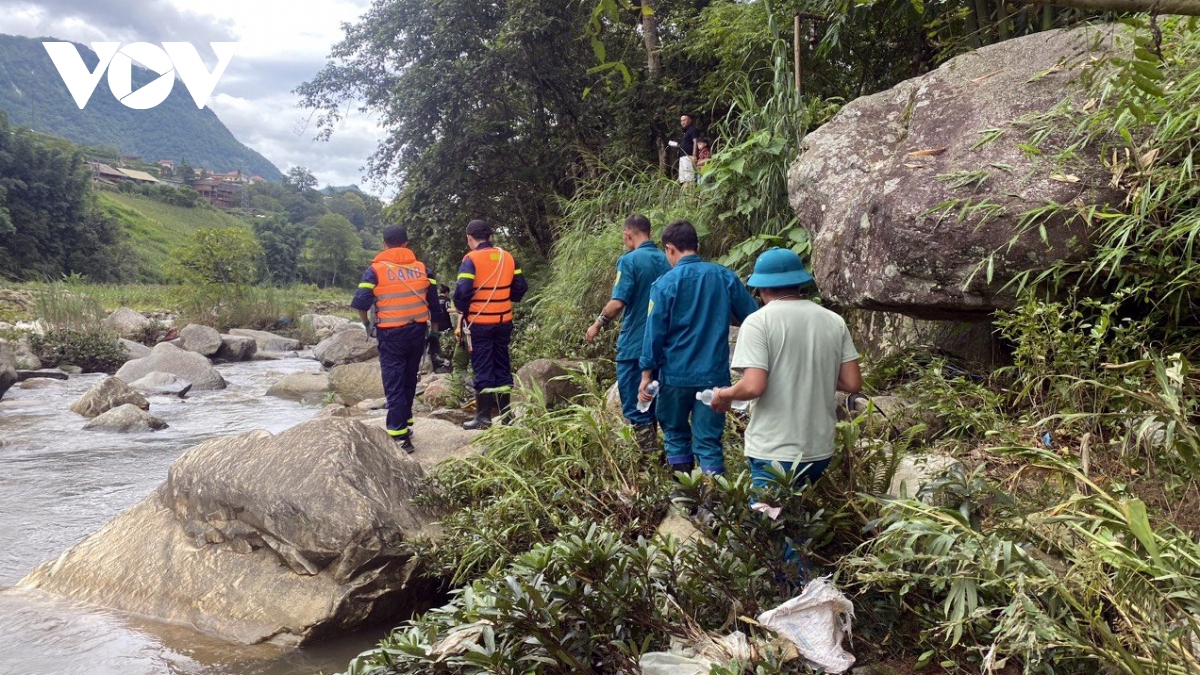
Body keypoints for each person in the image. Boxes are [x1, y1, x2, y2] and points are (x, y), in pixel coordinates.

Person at [710, 248, 862, 490]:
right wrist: (809, 372)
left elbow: (753, 386)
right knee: (798, 520)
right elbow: (853, 383)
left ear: (762, 288)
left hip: (775, 451)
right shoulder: (833, 320)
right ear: (799, 283)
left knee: (767, 524)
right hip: (819, 451)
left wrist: (723, 395)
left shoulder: (759, 322)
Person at [638, 220, 759, 476]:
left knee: (675, 434)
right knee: (708, 441)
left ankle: (685, 501)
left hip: (674, 377)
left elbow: (653, 333)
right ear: (697, 245)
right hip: (713, 378)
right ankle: (712, 507)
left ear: (670, 248)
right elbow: (754, 319)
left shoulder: (663, 285)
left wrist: (646, 375)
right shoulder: (724, 277)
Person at [585, 214, 672, 454]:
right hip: (665, 343)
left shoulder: (629, 261)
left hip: (636, 344)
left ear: (627, 234)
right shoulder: (667, 260)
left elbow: (618, 302)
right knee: (656, 399)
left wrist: (597, 323)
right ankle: (666, 457)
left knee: (636, 403)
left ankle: (649, 457)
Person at [351, 225, 440, 453]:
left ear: (384, 244)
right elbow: (435, 307)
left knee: (394, 382)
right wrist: (434, 334)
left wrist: (366, 323)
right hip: (417, 331)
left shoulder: (376, 270)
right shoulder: (423, 270)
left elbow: (361, 302)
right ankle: (407, 424)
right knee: (409, 379)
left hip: (391, 334)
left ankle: (399, 435)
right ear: (406, 244)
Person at [455, 219, 528, 430]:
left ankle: (484, 417)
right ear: (491, 237)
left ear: (470, 238)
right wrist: (505, 297)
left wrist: (463, 309)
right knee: (502, 365)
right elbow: (521, 287)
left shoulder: (471, 259)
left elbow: (462, 291)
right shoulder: (508, 257)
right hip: (504, 321)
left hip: (480, 323)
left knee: (483, 367)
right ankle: (507, 416)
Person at [426, 283, 453, 373]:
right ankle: (445, 358)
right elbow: (448, 309)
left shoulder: (436, 299)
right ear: (447, 292)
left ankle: (437, 356)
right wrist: (457, 310)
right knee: (447, 341)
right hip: (446, 324)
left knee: (438, 340)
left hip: (436, 324)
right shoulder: (446, 299)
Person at [669, 114, 700, 184]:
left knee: (689, 177)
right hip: (682, 156)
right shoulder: (685, 132)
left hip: (688, 156)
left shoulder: (692, 129)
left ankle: (691, 192)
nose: (682, 122)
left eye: (684, 120)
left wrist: (694, 155)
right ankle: (685, 193)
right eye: (681, 121)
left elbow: (695, 142)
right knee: (683, 178)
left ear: (690, 120)